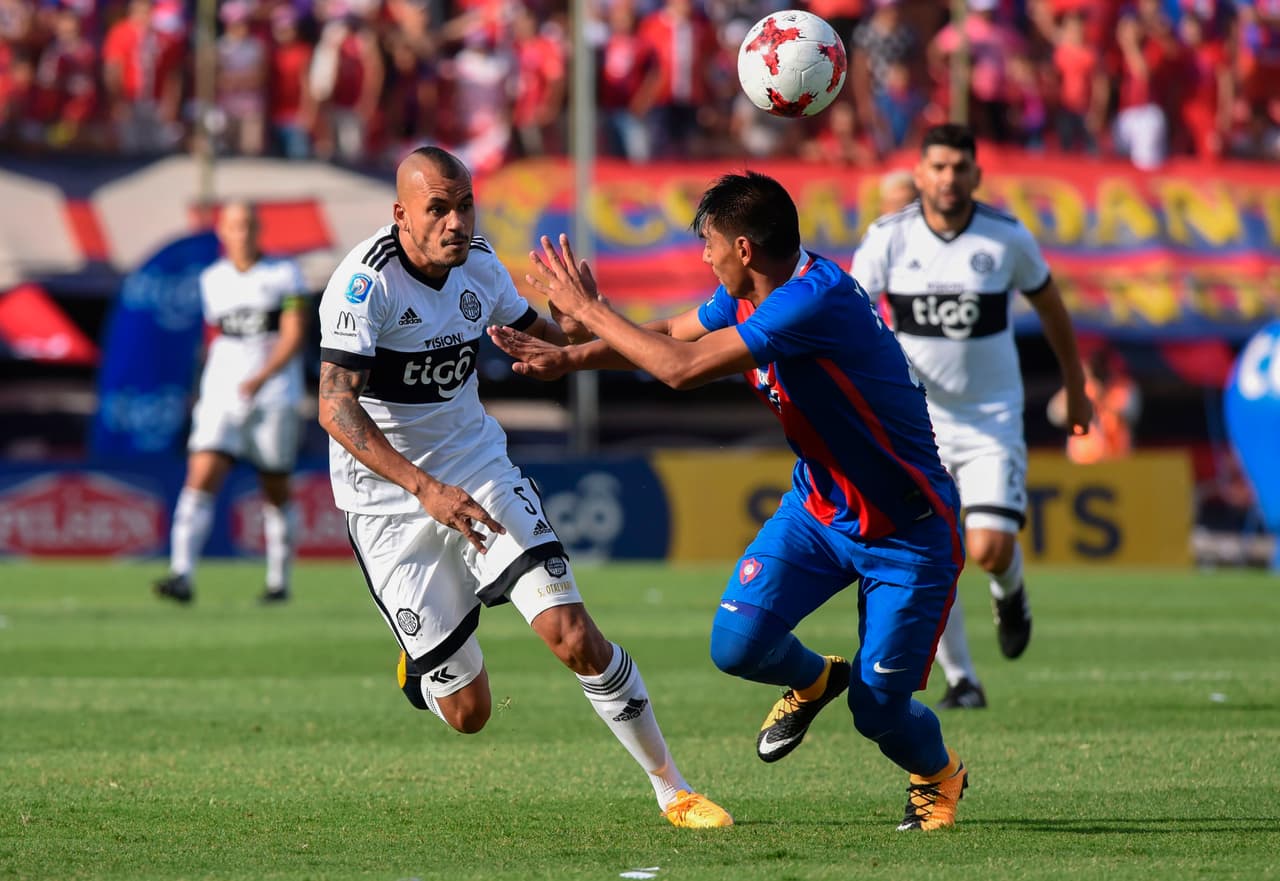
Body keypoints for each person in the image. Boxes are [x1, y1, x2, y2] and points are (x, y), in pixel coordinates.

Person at [490, 172, 969, 832]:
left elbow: (680, 369)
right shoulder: (748, 294)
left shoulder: (812, 301)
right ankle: (813, 679)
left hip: (906, 531)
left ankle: (938, 773)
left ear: (744, 249)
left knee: (877, 709)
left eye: (709, 244)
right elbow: (673, 333)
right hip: (820, 509)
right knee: (737, 645)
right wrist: (571, 355)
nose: (704, 257)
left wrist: (592, 313)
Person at [314, 146, 731, 830]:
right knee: (469, 713)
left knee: (573, 635)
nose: (455, 222)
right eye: (437, 209)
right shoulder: (366, 285)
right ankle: (420, 664)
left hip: (479, 472)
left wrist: (582, 318)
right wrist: (424, 488)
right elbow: (335, 408)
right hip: (390, 502)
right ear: (400, 214)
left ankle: (673, 790)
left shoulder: (480, 265)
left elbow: (551, 344)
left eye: (465, 205)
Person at [851, 124, 1093, 709]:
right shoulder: (888, 238)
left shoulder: (1006, 237)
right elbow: (850, 319)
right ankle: (963, 679)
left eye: (960, 168)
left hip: (989, 417)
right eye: (938, 167)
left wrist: (1076, 386)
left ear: (976, 175)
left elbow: (1051, 307)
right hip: (915, 424)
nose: (949, 178)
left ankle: (1011, 591)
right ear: (920, 174)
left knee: (987, 548)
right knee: (930, 553)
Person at [154, 201, 309, 605]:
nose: (243, 233)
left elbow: (294, 334)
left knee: (275, 486)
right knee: (200, 475)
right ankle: (181, 574)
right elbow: (217, 338)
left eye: (249, 225)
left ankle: (278, 582)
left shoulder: (284, 273)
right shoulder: (212, 279)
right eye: (235, 226)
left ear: (259, 230)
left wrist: (261, 376)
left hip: (274, 395)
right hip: (222, 393)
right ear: (222, 232)